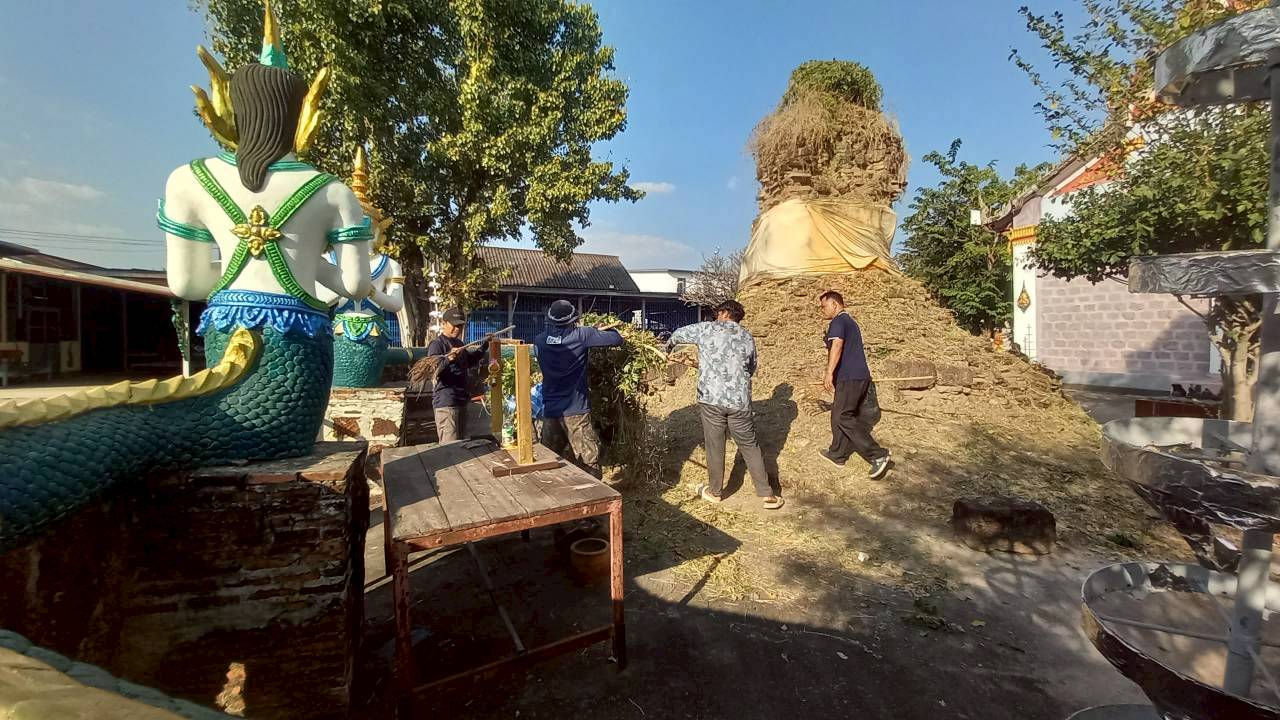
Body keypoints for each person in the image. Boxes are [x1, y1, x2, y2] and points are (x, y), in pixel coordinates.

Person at [669, 300, 784, 510]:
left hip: (711, 398)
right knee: (749, 444)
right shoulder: (746, 336)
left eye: (717, 313)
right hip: (739, 400)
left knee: (715, 445)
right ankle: (767, 494)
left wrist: (668, 348)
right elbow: (751, 367)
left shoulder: (706, 329)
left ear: (723, 313)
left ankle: (715, 492)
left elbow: (678, 335)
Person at [533, 300, 623, 477]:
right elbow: (616, 339)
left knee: (549, 462)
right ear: (573, 320)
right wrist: (599, 331)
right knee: (588, 464)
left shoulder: (539, 341)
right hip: (576, 411)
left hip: (550, 410)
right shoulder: (582, 335)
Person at [819, 291, 891, 479]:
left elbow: (837, 345)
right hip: (859, 377)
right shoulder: (850, 322)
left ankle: (878, 454)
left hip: (849, 377)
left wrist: (829, 372)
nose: (822, 310)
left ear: (834, 304)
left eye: (824, 306)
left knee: (843, 416)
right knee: (841, 414)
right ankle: (837, 454)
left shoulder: (838, 321)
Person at [427, 308, 489, 442]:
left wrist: (485, 345)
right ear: (444, 323)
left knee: (462, 445)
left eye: (460, 326)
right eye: (454, 325)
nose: (457, 329)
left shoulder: (459, 344)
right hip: (447, 402)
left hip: (461, 401)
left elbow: (470, 361)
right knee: (449, 447)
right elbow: (433, 369)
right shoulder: (437, 345)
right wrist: (449, 358)